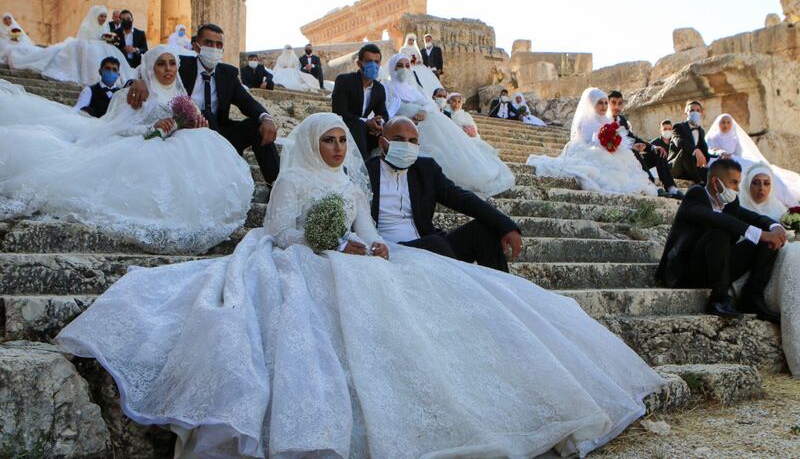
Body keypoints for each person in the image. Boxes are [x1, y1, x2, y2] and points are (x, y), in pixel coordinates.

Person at [57, 111, 666, 459]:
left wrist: (370, 243)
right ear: (309, 142)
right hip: (302, 262)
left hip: (362, 257)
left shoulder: (350, 185)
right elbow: (283, 233)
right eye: (327, 138)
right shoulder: (293, 182)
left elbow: (368, 224)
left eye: (341, 139)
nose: (334, 146)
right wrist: (338, 244)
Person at [0, 45, 254, 253]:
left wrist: (197, 124)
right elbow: (116, 128)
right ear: (151, 67)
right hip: (144, 149)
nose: (168, 69)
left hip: (181, 151)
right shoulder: (135, 93)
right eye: (161, 64)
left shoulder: (183, 99)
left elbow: (193, 123)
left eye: (172, 63)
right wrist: (151, 129)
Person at [126, 23, 280, 184]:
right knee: (204, 114)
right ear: (196, 46)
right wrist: (137, 81)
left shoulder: (228, 74)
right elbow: (149, 67)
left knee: (258, 126)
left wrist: (266, 118)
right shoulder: (180, 65)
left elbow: (248, 102)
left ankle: (277, 185)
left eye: (219, 45)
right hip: (185, 135)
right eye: (209, 43)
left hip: (219, 135)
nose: (214, 48)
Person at [368, 115, 519, 270]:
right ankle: (462, 287)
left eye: (412, 141)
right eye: (399, 140)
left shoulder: (425, 169)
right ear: (382, 143)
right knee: (435, 243)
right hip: (392, 250)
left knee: (484, 231)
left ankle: (500, 289)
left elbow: (461, 198)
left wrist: (506, 225)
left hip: (432, 246)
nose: (406, 146)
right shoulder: (366, 173)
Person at [657, 158, 786, 320]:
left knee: (767, 241)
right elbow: (713, 218)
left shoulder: (730, 201)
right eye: (733, 182)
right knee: (721, 230)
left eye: (738, 183)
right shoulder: (695, 196)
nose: (737, 188)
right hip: (686, 271)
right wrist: (759, 233)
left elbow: (755, 218)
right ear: (715, 181)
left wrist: (775, 228)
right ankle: (718, 299)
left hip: (717, 266)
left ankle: (751, 297)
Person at [387, 53, 515, 197]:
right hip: (406, 127)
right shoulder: (387, 87)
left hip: (428, 122)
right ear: (392, 68)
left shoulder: (413, 89)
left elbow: (428, 102)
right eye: (399, 66)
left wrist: (423, 111)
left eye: (407, 66)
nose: (404, 69)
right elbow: (387, 110)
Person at [528, 87, 658, 196]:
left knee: (626, 158)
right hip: (587, 150)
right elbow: (586, 142)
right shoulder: (584, 122)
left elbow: (619, 140)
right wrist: (604, 144)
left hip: (606, 151)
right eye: (600, 103)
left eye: (605, 103)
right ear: (592, 104)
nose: (604, 106)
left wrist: (623, 145)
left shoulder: (608, 121)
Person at [739, 163, 800, 376]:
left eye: (766, 184)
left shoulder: (779, 211)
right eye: (755, 183)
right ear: (747, 185)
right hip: (753, 267)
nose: (761, 189)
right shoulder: (740, 205)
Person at [8, 5, 135, 86]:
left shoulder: (105, 26)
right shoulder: (86, 26)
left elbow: (105, 36)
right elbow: (84, 39)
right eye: (101, 16)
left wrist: (107, 39)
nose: (103, 19)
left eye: (105, 16)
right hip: (88, 46)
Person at [706, 113, 800, 207]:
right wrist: (721, 153)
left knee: (758, 166)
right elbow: (710, 150)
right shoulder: (712, 137)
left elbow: (739, 152)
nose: (725, 125)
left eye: (728, 122)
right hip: (719, 161)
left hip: (734, 159)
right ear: (718, 124)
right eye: (723, 122)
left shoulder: (734, 139)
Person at [607, 90, 682, 199]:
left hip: (630, 156)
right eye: (613, 103)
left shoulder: (622, 120)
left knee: (658, 152)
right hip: (616, 158)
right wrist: (631, 147)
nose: (617, 106)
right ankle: (651, 186)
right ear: (607, 102)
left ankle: (671, 188)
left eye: (620, 103)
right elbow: (607, 144)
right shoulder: (603, 120)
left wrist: (652, 147)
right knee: (633, 152)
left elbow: (632, 138)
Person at [331, 43, 388, 158]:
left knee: (390, 131)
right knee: (359, 126)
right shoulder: (344, 81)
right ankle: (363, 164)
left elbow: (383, 113)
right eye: (369, 61)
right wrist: (366, 122)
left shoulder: (379, 89)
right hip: (346, 125)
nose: (373, 65)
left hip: (366, 130)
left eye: (376, 62)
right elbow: (340, 112)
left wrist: (379, 123)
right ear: (359, 63)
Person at [668, 100, 711, 185]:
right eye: (691, 110)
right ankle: (699, 181)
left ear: (701, 113)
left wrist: (718, 157)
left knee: (713, 171)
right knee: (685, 151)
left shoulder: (701, 131)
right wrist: (695, 150)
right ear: (686, 113)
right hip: (676, 167)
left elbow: (705, 153)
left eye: (698, 110)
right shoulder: (678, 127)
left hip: (691, 168)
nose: (695, 113)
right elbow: (679, 142)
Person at [393, 32, 443, 98]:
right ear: (407, 40)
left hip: (424, 69)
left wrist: (419, 61)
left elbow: (421, 59)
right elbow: (403, 59)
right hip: (409, 68)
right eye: (410, 40)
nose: (411, 41)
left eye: (412, 40)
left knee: (429, 83)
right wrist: (410, 61)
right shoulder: (403, 49)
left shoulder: (417, 50)